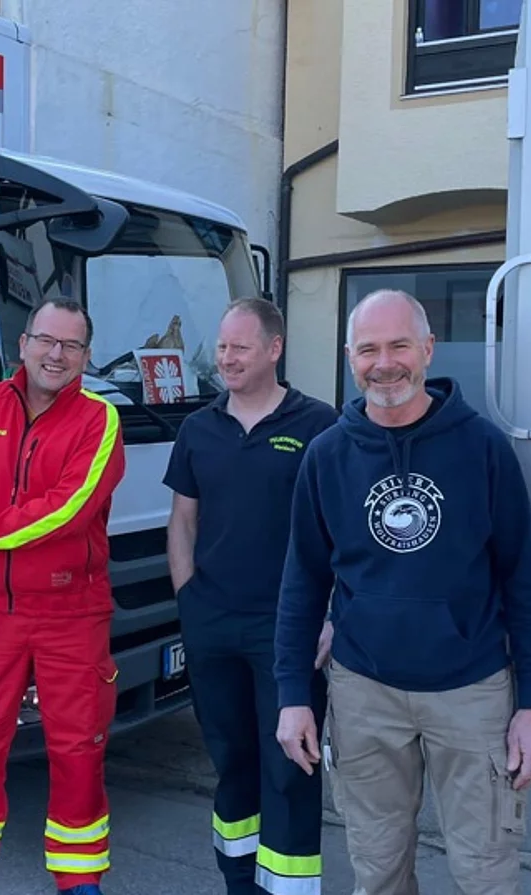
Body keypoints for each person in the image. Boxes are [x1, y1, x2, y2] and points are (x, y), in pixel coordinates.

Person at [272, 289, 531, 895]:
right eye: (369, 349)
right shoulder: (327, 456)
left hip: (473, 692)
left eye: (399, 344)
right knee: (377, 872)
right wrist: (293, 694)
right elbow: (303, 581)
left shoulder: (482, 448)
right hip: (364, 693)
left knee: (484, 873)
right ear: (350, 357)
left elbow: (526, 581)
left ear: (427, 350)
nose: (385, 363)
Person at [0, 297, 128, 895]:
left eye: (71, 346)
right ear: (24, 344)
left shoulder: (99, 421)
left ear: (86, 357)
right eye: (46, 341)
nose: (56, 355)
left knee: (78, 747)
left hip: (70, 613)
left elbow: (66, 511)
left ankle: (79, 880)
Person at [162, 298, 338, 895]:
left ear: (274, 349)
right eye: (222, 347)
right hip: (211, 624)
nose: (227, 358)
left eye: (240, 347)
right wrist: (188, 598)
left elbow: (342, 529)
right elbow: (183, 520)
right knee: (231, 759)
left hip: (287, 631)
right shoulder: (198, 428)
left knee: (289, 766)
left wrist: (332, 614)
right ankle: (239, 881)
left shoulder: (319, 425)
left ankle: (286, 890)